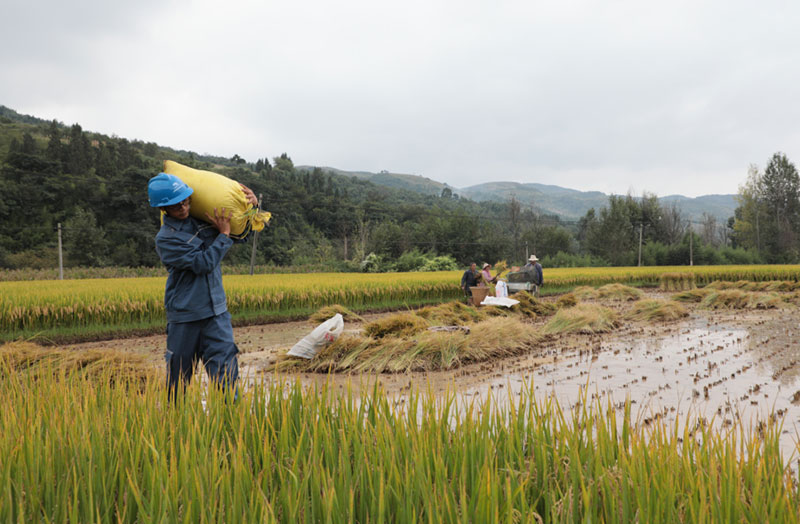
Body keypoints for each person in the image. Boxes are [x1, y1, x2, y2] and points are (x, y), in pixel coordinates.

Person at [147, 172, 258, 398]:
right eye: (177, 207)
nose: (184, 208)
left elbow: (242, 235)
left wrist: (253, 207)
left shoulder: (203, 221)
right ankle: (177, 426)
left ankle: (231, 424)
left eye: (186, 202)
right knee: (178, 381)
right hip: (185, 316)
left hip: (216, 313)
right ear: (163, 209)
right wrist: (223, 235)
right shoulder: (166, 239)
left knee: (227, 375)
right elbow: (203, 263)